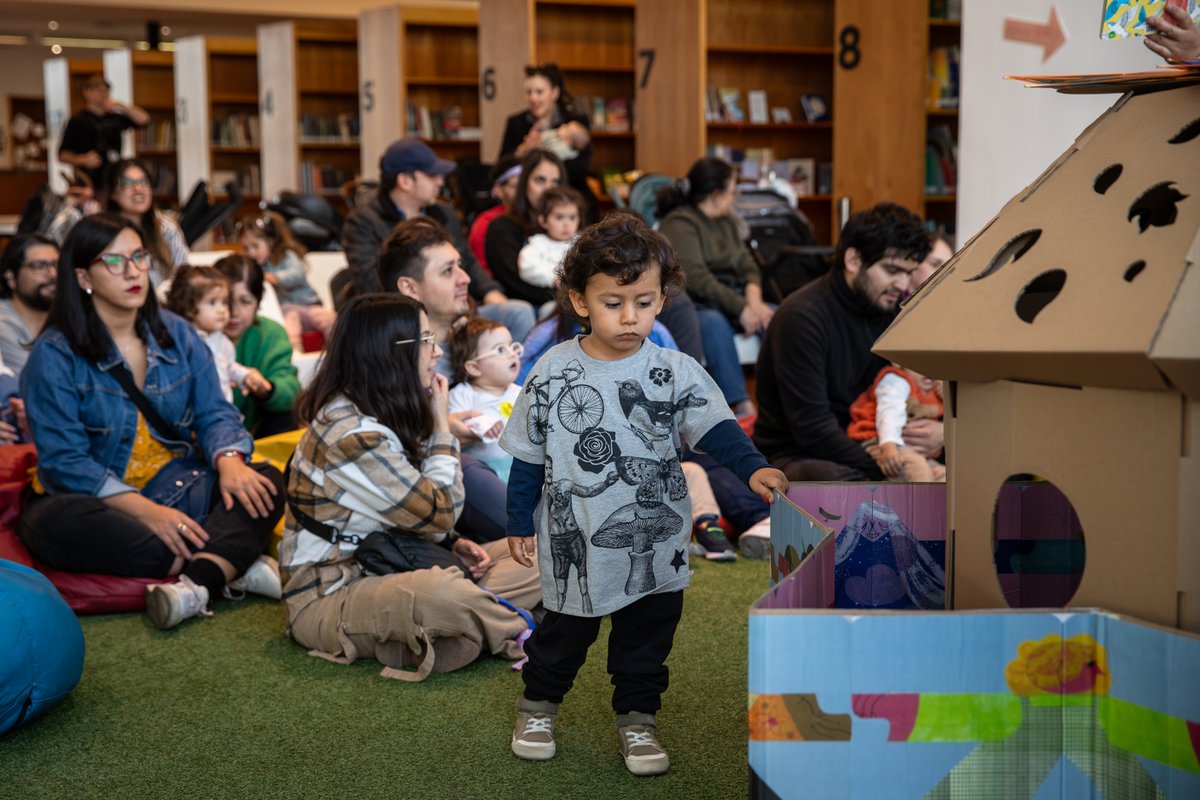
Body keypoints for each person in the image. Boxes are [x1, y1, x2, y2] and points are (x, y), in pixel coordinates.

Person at [500, 213, 788, 775]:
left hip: (656, 543)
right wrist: (517, 522)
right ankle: (537, 708)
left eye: (645, 302)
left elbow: (716, 428)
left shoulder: (674, 369)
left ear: (661, 299)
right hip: (577, 541)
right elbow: (528, 456)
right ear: (580, 301)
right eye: (613, 303)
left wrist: (753, 468)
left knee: (646, 640)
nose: (630, 317)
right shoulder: (552, 370)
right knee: (562, 637)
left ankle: (637, 720)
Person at [17, 213, 284, 631]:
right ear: (83, 277)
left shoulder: (177, 333)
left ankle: (195, 584)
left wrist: (230, 462)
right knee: (51, 524)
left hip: (175, 482)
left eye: (139, 257)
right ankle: (229, 563)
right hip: (102, 502)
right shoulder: (55, 354)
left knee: (264, 480)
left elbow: (215, 412)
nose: (133, 271)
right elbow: (66, 463)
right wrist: (148, 514)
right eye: (114, 261)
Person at [281, 292, 541, 681]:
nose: (438, 352)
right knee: (442, 592)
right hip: (332, 592)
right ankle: (518, 626)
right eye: (427, 340)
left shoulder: (379, 407)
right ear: (391, 351)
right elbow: (440, 512)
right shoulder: (348, 435)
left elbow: (418, 514)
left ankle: (460, 632)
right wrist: (441, 427)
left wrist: (452, 542)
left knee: (540, 550)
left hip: (397, 561)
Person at [753, 202, 933, 481]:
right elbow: (813, 431)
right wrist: (889, 468)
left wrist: (941, 435)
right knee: (849, 482)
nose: (902, 284)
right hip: (800, 454)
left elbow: (923, 389)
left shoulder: (892, 310)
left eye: (909, 273)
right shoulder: (801, 319)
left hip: (876, 442)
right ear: (853, 260)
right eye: (892, 270)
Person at [378, 218, 516, 544]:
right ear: (409, 288)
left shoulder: (478, 340)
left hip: (505, 462)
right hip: (436, 480)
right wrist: (438, 429)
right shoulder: (391, 356)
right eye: (447, 271)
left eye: (460, 266)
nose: (465, 278)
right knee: (468, 469)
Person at [338, 138, 534, 342]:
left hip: (454, 305)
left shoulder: (444, 213)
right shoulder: (363, 222)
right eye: (432, 175)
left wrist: (490, 292)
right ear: (405, 181)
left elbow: (466, 260)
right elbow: (371, 282)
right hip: (403, 317)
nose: (440, 182)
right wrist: (438, 310)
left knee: (517, 312)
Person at [657, 157, 771, 417]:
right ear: (715, 193)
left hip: (735, 297)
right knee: (713, 324)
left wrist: (754, 299)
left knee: (777, 316)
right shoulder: (679, 223)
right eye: (732, 191)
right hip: (701, 303)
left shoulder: (727, 221)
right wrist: (741, 308)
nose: (735, 197)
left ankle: (781, 398)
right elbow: (696, 278)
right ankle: (740, 405)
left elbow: (748, 264)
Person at [213, 254, 301, 438]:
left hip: (254, 433)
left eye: (245, 301)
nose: (234, 312)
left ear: (258, 302)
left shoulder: (270, 334)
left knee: (285, 418)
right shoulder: (197, 335)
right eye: (226, 301)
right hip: (208, 432)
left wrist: (267, 390)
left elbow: (289, 390)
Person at [499, 63, 596, 221]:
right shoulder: (516, 123)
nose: (533, 98)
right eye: (529, 92)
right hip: (530, 205)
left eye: (539, 92)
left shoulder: (574, 123)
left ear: (555, 93)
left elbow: (583, 165)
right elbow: (500, 169)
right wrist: (522, 153)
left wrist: (547, 160)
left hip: (572, 201)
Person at [165, 264, 270, 406]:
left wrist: (245, 376)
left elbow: (229, 366)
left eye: (224, 302)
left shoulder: (220, 340)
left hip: (222, 411)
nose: (222, 310)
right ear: (189, 307)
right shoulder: (184, 342)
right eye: (212, 302)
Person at [235, 211, 336, 351]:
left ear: (270, 241)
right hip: (286, 309)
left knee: (331, 319)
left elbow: (298, 273)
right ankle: (296, 354)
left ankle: (335, 352)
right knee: (289, 327)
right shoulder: (255, 268)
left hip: (308, 305)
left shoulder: (287, 256)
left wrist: (276, 278)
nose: (251, 253)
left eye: (255, 246)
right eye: (246, 248)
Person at [485, 149, 567, 307]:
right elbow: (515, 284)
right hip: (526, 307)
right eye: (540, 180)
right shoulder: (502, 227)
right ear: (524, 184)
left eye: (556, 182)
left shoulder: (567, 226)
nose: (548, 189)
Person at [448, 316, 523, 483]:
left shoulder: (520, 392)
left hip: (519, 469)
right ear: (474, 368)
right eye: (500, 350)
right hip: (484, 473)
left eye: (512, 346)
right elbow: (457, 424)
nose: (512, 354)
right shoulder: (462, 394)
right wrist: (483, 426)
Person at [847, 364, 946, 483]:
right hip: (880, 441)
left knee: (946, 475)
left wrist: (949, 394)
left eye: (935, 362)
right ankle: (922, 496)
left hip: (913, 451)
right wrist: (889, 446)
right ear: (899, 363)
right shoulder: (896, 381)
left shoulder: (933, 390)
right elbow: (889, 414)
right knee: (918, 470)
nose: (928, 369)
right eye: (920, 362)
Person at [105, 159, 190, 287]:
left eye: (144, 181)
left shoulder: (167, 229)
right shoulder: (102, 231)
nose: (138, 189)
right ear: (113, 193)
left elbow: (185, 277)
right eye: (127, 183)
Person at [57, 74, 150, 189]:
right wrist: (82, 159)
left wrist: (121, 105)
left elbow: (144, 120)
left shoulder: (114, 118)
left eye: (106, 91)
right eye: (99, 90)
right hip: (90, 180)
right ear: (87, 92)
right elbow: (62, 155)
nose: (103, 94)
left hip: (114, 177)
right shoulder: (78, 120)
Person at [0, 233, 58, 376]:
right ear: (11, 277)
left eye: (57, 265)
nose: (53, 274)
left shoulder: (68, 313)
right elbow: (36, 380)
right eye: (39, 266)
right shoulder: (3, 322)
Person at [518, 185, 582, 293]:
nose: (566, 224)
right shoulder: (537, 244)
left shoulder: (581, 243)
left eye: (572, 217)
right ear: (543, 220)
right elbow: (527, 269)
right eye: (559, 217)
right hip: (550, 297)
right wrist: (555, 278)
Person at [468, 155, 522, 274]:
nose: (523, 192)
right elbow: (482, 272)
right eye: (516, 186)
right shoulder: (485, 223)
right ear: (499, 190)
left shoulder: (542, 218)